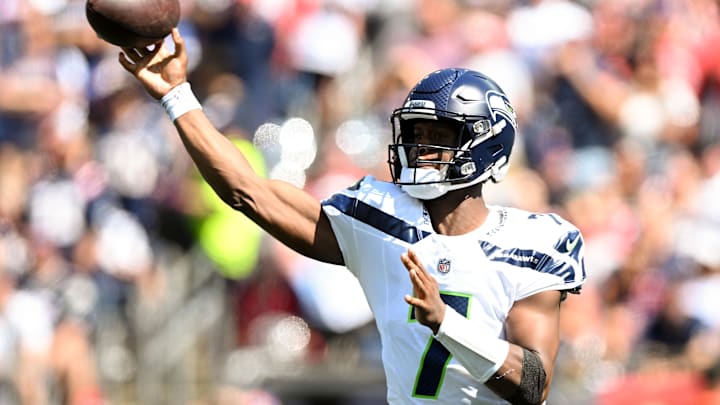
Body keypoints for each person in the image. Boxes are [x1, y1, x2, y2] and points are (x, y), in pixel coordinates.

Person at [118, 29, 587, 405]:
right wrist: (176, 95)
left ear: (486, 146)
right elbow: (250, 192)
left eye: (435, 136)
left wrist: (446, 322)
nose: (418, 149)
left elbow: (533, 386)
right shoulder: (381, 221)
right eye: (414, 133)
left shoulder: (532, 243)